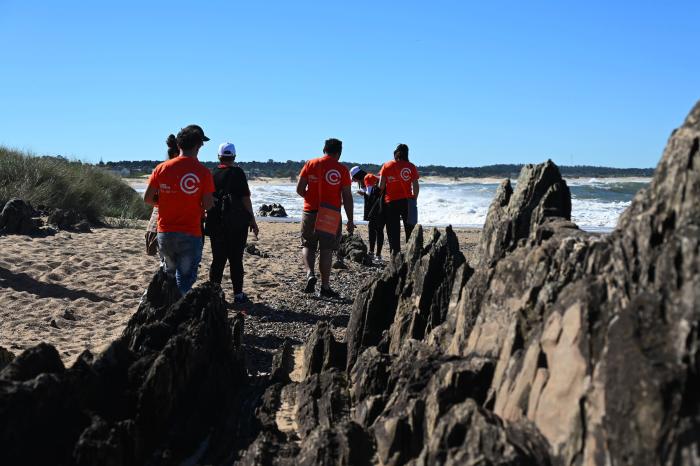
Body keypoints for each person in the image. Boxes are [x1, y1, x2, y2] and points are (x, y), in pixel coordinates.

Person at [143, 125, 215, 296]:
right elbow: (207, 204)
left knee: (168, 275)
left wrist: (167, 201)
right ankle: (178, 312)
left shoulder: (161, 168)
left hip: (165, 232)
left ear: (179, 145)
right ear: (199, 146)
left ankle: (167, 308)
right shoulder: (203, 172)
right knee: (185, 277)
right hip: (189, 232)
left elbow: (147, 198)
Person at [296, 138, 354, 297]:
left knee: (308, 244)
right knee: (327, 249)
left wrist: (310, 198)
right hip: (331, 213)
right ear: (339, 152)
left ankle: (310, 274)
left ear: (324, 149)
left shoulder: (310, 164)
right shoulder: (342, 170)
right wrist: (350, 219)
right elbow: (347, 197)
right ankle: (325, 287)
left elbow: (300, 189)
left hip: (310, 211)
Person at [205, 142, 259, 304]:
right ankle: (238, 295)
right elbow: (245, 199)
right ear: (234, 157)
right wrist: (252, 219)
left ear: (219, 156)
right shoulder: (238, 173)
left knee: (218, 260)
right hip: (237, 224)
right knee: (236, 259)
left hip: (216, 222)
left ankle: (215, 295)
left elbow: (207, 199)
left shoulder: (211, 174)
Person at [378, 143, 420, 254]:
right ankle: (410, 253)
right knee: (410, 228)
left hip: (391, 202)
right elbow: (416, 186)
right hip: (407, 201)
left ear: (395, 152)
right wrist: (414, 199)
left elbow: (381, 186)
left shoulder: (386, 166)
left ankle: (395, 254)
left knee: (393, 230)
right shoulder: (411, 166)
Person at [145, 135, 180, 256]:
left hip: (159, 221)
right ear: (176, 154)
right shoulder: (181, 171)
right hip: (170, 223)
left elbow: (149, 198)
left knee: (165, 261)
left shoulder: (160, 169)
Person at [350, 166, 384, 261]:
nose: (354, 180)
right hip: (377, 207)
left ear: (358, 175)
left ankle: (375, 253)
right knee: (377, 230)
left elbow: (370, 195)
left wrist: (362, 193)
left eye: (354, 178)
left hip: (375, 208)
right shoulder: (368, 178)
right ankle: (376, 254)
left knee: (374, 230)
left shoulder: (367, 178)